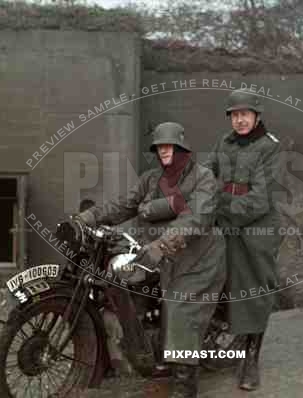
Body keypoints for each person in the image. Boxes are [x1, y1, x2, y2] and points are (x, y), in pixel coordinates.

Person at [75, 122, 226, 398]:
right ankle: (135, 352)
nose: (164, 151)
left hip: (198, 258)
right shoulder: (150, 178)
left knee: (180, 311)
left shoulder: (203, 178)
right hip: (162, 254)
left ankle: (183, 387)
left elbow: (195, 219)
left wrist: (162, 244)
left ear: (182, 148)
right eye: (159, 147)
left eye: (169, 146)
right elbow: (123, 205)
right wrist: (88, 218)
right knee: (122, 281)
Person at [204, 89, 282, 391]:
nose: (239, 120)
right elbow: (207, 174)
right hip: (225, 223)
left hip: (256, 230)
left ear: (257, 116)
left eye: (245, 114)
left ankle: (251, 359)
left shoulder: (270, 148)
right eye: (234, 115)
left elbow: (260, 200)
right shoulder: (224, 143)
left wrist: (220, 207)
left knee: (253, 290)